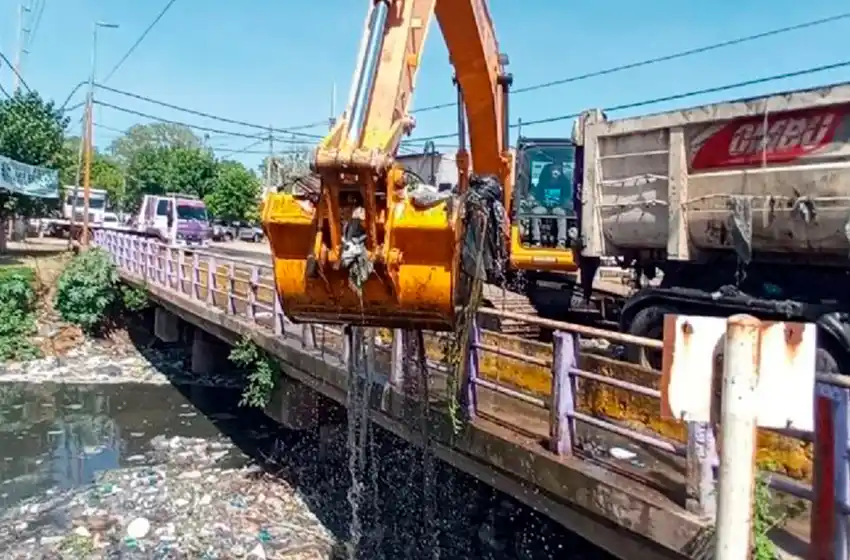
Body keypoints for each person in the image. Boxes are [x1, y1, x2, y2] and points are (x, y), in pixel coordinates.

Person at [528, 163, 570, 248]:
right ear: (549, 170)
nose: (556, 171)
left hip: (557, 207)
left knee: (561, 213)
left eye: (558, 169)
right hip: (544, 206)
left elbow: (567, 197)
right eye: (554, 169)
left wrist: (562, 203)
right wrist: (533, 198)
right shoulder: (543, 181)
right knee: (534, 212)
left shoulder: (565, 182)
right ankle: (536, 240)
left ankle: (561, 242)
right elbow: (536, 194)